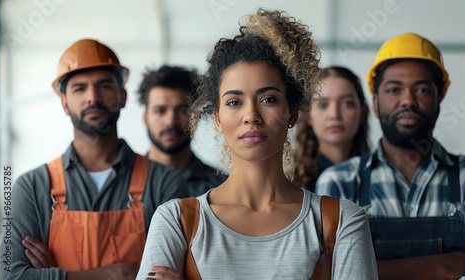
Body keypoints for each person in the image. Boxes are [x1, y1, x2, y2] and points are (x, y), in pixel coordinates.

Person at [136, 9, 378, 280]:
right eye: (234, 102)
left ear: (293, 113)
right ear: (217, 118)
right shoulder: (175, 220)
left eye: (269, 99)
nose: (251, 115)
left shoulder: (343, 221)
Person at [0, 38, 189, 280]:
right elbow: (12, 276)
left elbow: (175, 273)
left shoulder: (165, 182)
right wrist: (114, 273)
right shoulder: (31, 187)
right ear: (65, 103)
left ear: (122, 96)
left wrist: (54, 274)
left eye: (104, 86)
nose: (93, 97)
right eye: (79, 88)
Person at [315, 32, 465, 279]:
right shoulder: (339, 182)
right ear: (376, 103)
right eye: (394, 90)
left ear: (438, 99)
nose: (408, 100)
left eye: (422, 89)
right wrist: (445, 268)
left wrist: (376, 269)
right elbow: (332, 274)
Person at [137, 65, 227, 196]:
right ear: (145, 118)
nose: (170, 121)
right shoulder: (122, 182)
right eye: (160, 111)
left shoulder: (222, 188)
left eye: (183, 110)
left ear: (195, 117)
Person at [293, 66, 370, 191]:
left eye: (347, 103)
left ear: (362, 112)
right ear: (308, 115)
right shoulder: (289, 177)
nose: (335, 115)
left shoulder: (378, 174)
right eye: (323, 105)